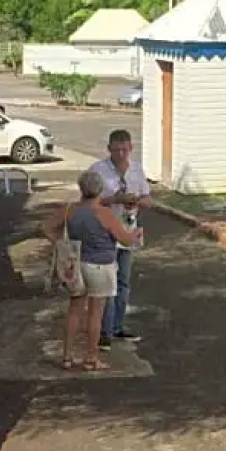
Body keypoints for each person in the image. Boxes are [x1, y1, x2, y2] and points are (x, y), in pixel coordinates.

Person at [45, 169, 143, 371]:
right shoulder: (104, 214)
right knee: (95, 313)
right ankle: (91, 358)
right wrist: (136, 232)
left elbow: (46, 226)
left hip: (75, 262)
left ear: (81, 188)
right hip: (101, 265)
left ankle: (67, 356)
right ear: (100, 190)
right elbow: (125, 239)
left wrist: (60, 243)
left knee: (74, 309)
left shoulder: (69, 210)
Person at [89, 128, 152, 348]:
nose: (121, 155)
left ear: (131, 148)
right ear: (109, 150)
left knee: (123, 282)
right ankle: (103, 332)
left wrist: (135, 201)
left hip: (128, 229)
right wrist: (114, 199)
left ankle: (117, 326)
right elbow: (91, 202)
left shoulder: (136, 170)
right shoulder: (98, 170)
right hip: (105, 232)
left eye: (125, 150)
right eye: (117, 150)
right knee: (106, 283)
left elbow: (148, 199)